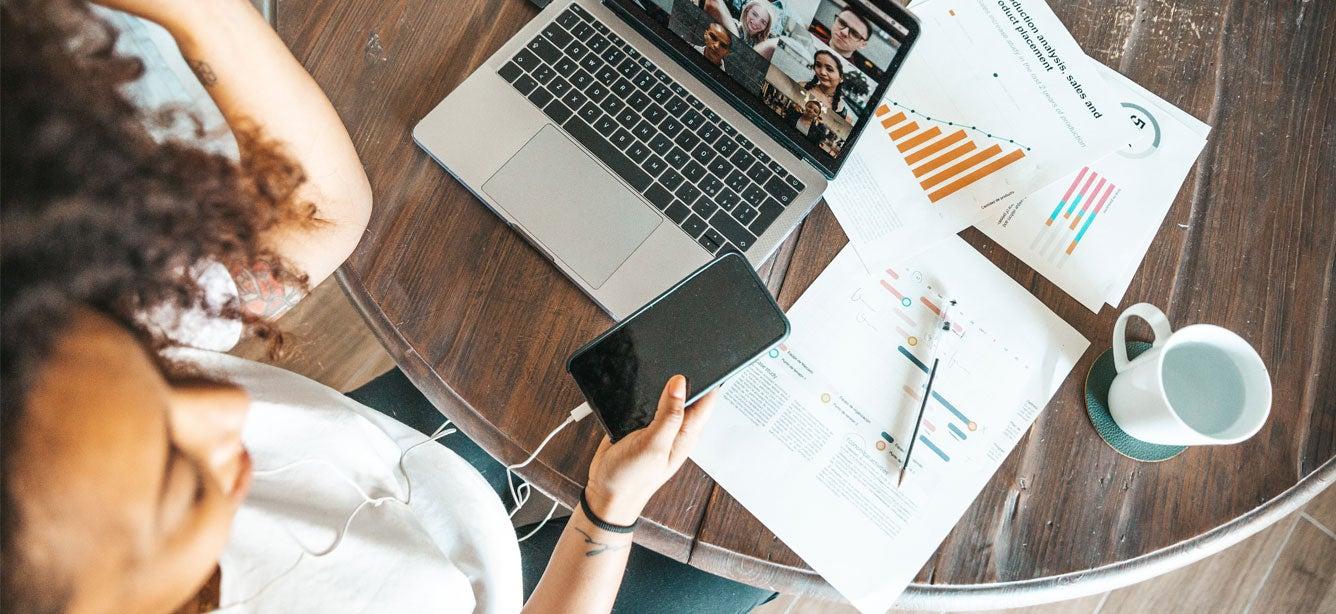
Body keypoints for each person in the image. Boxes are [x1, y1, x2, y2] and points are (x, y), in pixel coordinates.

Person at [0, 1, 776, 612]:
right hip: (536, 573)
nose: (227, 410)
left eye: (160, 369)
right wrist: (607, 512)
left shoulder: (40, 374)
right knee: (751, 568)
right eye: (176, 480)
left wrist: (200, 12)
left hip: (417, 472)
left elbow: (312, 218)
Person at [802, 49, 851, 122]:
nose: (822, 72)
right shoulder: (802, 86)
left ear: (841, 78)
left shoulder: (843, 112)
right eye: (818, 65)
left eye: (829, 69)